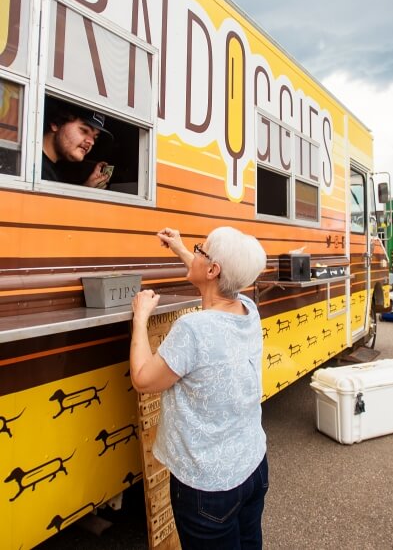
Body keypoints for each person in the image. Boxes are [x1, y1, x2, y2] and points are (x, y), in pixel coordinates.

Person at [130, 226, 268, 550]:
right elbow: (212, 275)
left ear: (213, 270)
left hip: (209, 489)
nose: (195, 252)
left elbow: (143, 380)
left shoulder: (193, 329)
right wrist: (180, 249)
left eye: (200, 250)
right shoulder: (248, 308)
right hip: (253, 467)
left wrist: (140, 316)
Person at [42, 104, 113, 188]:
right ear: (56, 124)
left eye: (95, 137)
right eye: (84, 130)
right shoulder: (31, 167)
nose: (92, 142)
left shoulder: (52, 172)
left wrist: (86, 188)